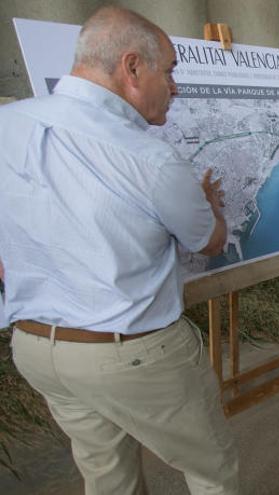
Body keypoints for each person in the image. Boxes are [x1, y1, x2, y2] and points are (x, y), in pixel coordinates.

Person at [0, 6, 239, 494]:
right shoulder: (148, 158)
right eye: (169, 71)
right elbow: (210, 242)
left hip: (36, 349)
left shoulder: (8, 124)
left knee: (107, 477)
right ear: (132, 67)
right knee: (212, 468)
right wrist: (212, 206)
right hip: (130, 353)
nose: (175, 86)